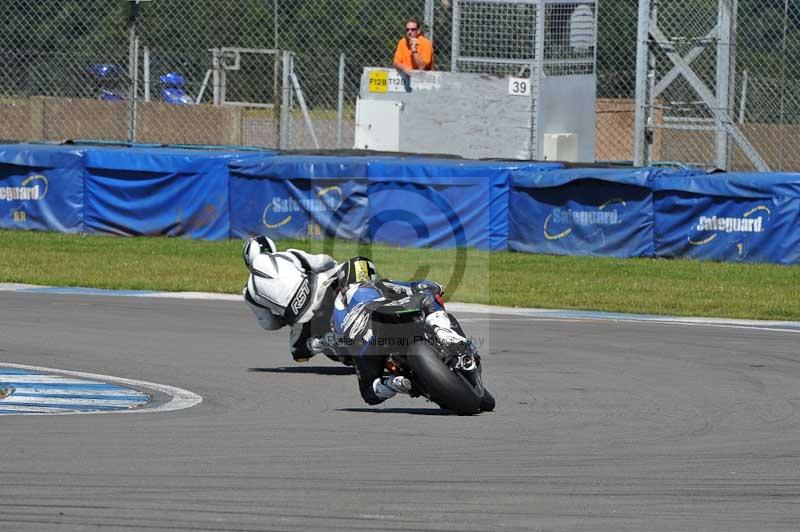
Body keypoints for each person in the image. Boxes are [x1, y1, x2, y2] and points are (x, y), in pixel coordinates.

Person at [330, 256, 472, 406]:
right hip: (382, 315)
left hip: (362, 347)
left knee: (368, 392)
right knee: (427, 298)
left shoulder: (334, 316)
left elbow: (343, 356)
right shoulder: (374, 285)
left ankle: (392, 384)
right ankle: (448, 338)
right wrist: (434, 287)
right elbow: (417, 287)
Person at [242, 235, 340, 362]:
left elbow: (269, 324)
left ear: (247, 260)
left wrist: (284, 319)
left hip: (300, 316)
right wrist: (333, 264)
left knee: (298, 352)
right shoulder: (288, 254)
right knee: (353, 267)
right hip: (317, 288)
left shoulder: (248, 292)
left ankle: (322, 342)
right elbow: (321, 261)